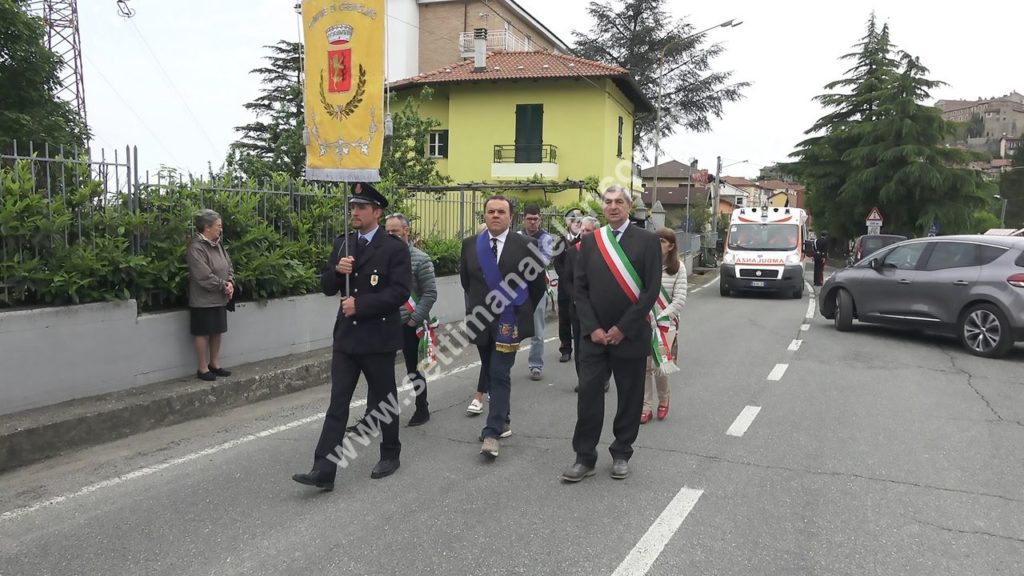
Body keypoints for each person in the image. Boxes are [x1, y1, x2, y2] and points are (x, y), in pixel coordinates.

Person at [293, 183, 412, 491]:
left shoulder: (394, 248)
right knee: (338, 404)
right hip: (347, 338)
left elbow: (400, 292)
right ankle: (323, 469)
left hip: (378, 337)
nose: (354, 212)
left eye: (361, 207)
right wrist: (336, 269)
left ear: (377, 212)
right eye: (352, 207)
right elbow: (326, 286)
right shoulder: (343, 244)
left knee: (384, 399)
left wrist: (362, 304)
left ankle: (390, 453)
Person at [561, 185, 662, 483]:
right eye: (608, 202)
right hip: (594, 338)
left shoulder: (647, 241)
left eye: (619, 202)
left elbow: (650, 291)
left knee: (629, 397)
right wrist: (593, 329)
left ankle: (621, 453)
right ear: (602, 207)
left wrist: (621, 328)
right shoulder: (591, 242)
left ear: (629, 207)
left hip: (629, 335)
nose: (613, 206)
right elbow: (579, 289)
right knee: (589, 394)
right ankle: (584, 457)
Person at [461, 195, 546, 458]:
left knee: (499, 373)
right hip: (480, 320)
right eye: (490, 211)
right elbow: (467, 281)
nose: (495, 215)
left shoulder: (526, 245)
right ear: (484, 216)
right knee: (489, 369)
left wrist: (519, 312)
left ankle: (492, 432)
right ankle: (504, 418)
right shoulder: (470, 245)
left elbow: (537, 286)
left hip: (510, 321)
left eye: (501, 211)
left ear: (511, 217)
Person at [346, 213, 437, 431]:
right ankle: (371, 418)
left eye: (395, 232)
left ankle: (421, 407)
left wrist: (414, 320)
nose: (390, 235)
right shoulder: (379, 256)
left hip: (408, 323)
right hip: (383, 322)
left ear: (407, 231)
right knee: (376, 371)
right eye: (387, 231)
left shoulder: (420, 259)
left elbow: (430, 293)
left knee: (413, 369)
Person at [641, 228, 688, 424]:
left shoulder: (679, 268)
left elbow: (679, 299)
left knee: (660, 365)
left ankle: (664, 399)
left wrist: (659, 316)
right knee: (644, 366)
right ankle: (645, 406)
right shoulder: (645, 265)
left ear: (671, 245)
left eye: (662, 241)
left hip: (665, 324)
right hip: (644, 321)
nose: (658, 243)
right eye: (656, 240)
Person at [186, 209, 235, 382]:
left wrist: (230, 282)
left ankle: (215, 363)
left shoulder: (218, 244)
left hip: (220, 296)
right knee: (203, 333)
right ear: (207, 227)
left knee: (217, 331)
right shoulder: (196, 248)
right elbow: (203, 276)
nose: (220, 229)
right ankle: (202, 367)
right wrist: (223, 286)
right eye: (218, 226)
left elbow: (228, 264)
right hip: (203, 299)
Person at [519, 204, 554, 381]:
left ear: (540, 219)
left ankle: (536, 366)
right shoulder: (515, 237)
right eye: (529, 219)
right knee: (509, 328)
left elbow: (544, 261)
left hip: (537, 288)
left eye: (536, 219)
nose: (532, 222)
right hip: (515, 288)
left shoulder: (546, 238)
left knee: (537, 330)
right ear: (523, 219)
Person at [553, 209, 582, 363]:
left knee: (580, 320)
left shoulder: (586, 240)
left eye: (579, 219)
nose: (576, 222)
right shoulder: (561, 241)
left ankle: (581, 349)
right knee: (564, 319)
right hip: (564, 288)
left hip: (581, 288)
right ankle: (565, 349)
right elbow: (557, 263)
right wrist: (566, 279)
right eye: (573, 219)